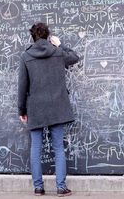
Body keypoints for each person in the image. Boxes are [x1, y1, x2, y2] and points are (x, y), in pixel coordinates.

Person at [18, 22, 79, 197]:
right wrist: (60, 44)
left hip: (35, 109)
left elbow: (22, 87)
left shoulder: (26, 56)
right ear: (47, 36)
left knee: (35, 148)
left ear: (33, 36)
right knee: (58, 147)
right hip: (57, 107)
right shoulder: (58, 53)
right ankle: (61, 187)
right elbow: (74, 57)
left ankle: (38, 188)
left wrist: (22, 110)